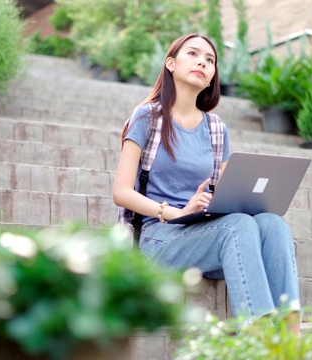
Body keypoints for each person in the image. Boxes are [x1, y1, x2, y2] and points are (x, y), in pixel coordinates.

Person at [113, 33, 301, 334]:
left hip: (206, 235)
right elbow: (121, 192)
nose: (203, 61)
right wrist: (178, 212)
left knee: (272, 223)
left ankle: (292, 337)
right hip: (158, 238)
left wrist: (217, 204)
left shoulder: (216, 128)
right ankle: (259, 337)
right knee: (238, 225)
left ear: (213, 75)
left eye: (210, 59)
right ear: (170, 63)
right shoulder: (146, 117)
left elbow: (229, 195)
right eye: (193, 54)